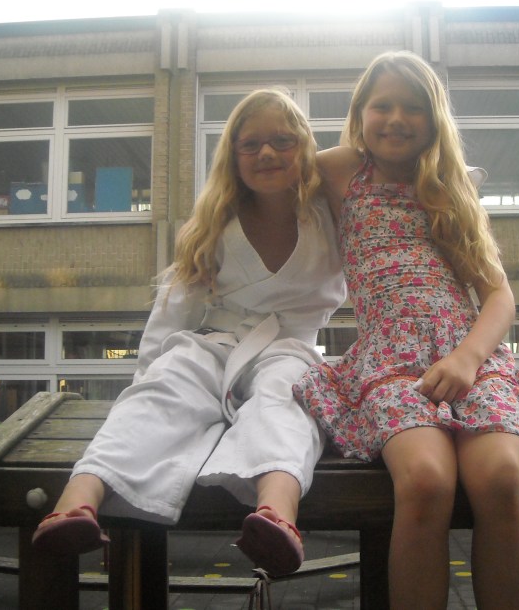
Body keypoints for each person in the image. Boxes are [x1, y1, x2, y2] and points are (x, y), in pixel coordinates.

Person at [293, 51, 519, 609]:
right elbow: (267, 165)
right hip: (389, 360)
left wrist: (468, 358)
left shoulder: (448, 189)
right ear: (359, 112)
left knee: (502, 479)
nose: (396, 118)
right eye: (382, 105)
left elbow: (498, 294)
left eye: (414, 107)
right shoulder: (340, 170)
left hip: (467, 356)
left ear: (434, 119)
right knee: (426, 481)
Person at [32, 88, 346, 577]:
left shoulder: (333, 214)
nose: (266, 152)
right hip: (214, 341)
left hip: (290, 347)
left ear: (306, 148)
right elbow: (173, 310)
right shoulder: (215, 221)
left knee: (286, 398)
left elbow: (368, 163)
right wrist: (146, 377)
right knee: (167, 385)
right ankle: (79, 502)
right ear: (233, 156)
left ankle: (276, 513)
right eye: (250, 144)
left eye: (283, 141)